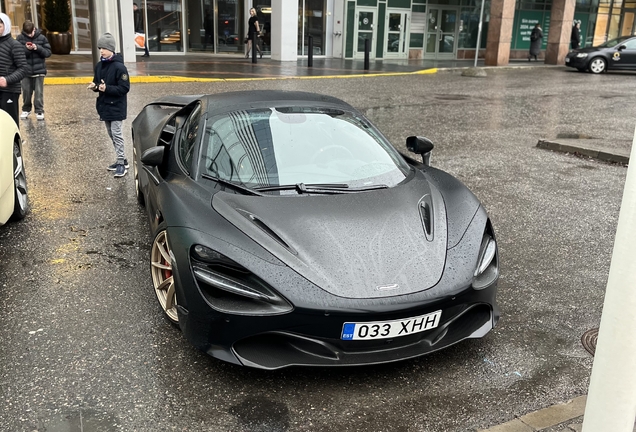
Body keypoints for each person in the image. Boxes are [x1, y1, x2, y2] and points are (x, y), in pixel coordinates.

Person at [87, 33, 131, 178]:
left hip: (117, 106)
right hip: (104, 106)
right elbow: (98, 83)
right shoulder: (99, 65)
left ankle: (121, 164)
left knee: (117, 134)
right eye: (100, 48)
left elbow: (124, 88)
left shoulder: (120, 67)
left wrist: (107, 89)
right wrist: (95, 86)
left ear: (111, 49)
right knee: (111, 134)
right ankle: (122, 159)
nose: (101, 51)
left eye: (104, 48)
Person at [17, 20, 51, 121]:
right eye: (27, 34)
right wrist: (26, 49)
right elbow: (17, 54)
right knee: (26, 92)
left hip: (39, 70)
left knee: (39, 93)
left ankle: (39, 110)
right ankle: (26, 109)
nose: (30, 35)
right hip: (25, 71)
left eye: (31, 33)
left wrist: (37, 48)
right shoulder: (20, 38)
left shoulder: (41, 38)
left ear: (34, 29)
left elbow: (48, 53)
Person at [0, 13, 28, 127]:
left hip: (9, 91)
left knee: (9, 123)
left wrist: (7, 79)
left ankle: (14, 144)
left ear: (6, 26)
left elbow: (23, 68)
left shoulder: (14, 45)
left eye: (0, 26)